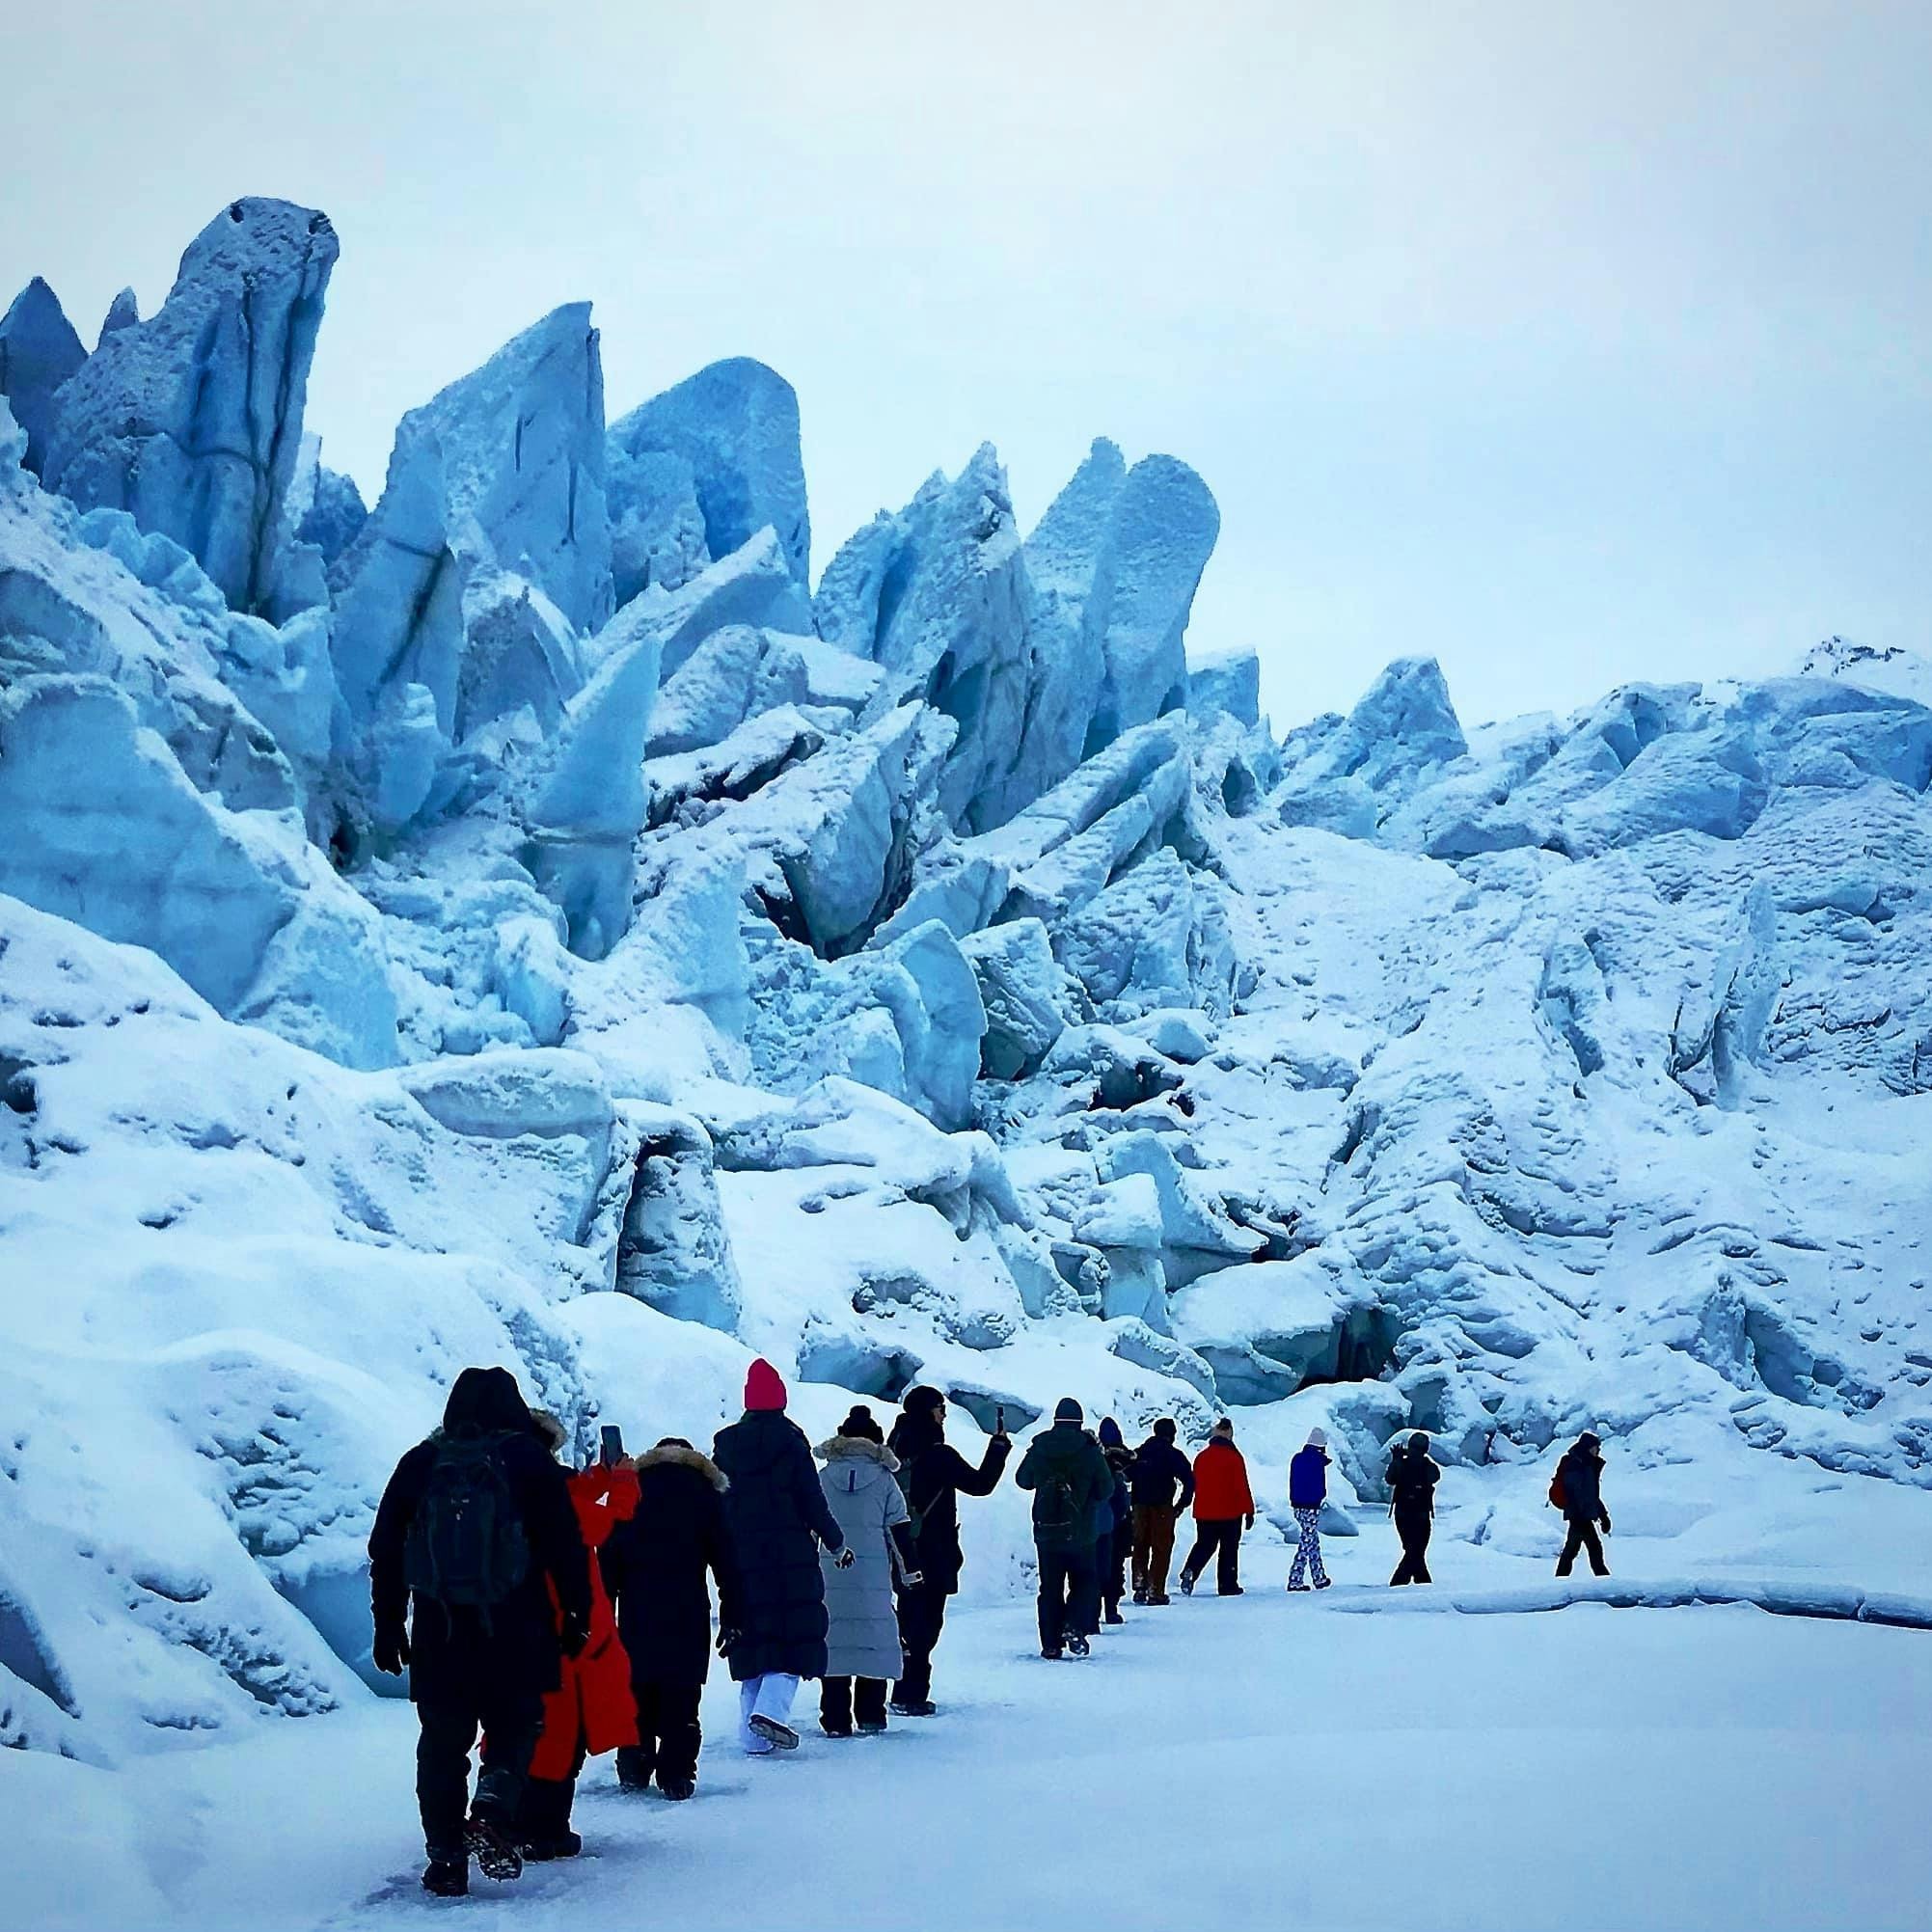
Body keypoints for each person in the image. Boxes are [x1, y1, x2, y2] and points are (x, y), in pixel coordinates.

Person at [368, 1367, 591, 1897]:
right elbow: (566, 1545)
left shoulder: (421, 1463)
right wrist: (576, 1614)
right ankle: (491, 1808)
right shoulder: (529, 1462)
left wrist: (387, 1623)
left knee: (442, 1746)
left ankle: (445, 1858)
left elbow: (386, 1549)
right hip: (517, 1627)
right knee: (516, 1729)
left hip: (439, 1633)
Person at [712, 1359, 852, 1754]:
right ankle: (771, 1714)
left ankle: (751, 1739)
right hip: (789, 1555)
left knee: (753, 1639)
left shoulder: (725, 1445)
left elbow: (718, 1501)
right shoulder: (791, 1442)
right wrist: (837, 1542)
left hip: (741, 1557)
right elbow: (812, 1501)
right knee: (793, 1635)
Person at [517, 1417, 640, 1860]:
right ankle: (543, 1829)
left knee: (520, 1728)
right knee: (559, 1733)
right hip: (563, 1628)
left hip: (514, 1626)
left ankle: (510, 1819)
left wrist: (600, 1477)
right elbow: (604, 1523)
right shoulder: (544, 1492)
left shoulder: (504, 1482)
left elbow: (570, 1497)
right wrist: (624, 1483)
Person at [601, 1434, 741, 1801]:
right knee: (682, 1692)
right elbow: (727, 1561)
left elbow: (610, 1555)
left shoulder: (635, 1489)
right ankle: (677, 1773)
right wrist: (734, 1612)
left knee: (637, 1688)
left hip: (637, 1609)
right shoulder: (705, 1494)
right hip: (687, 1608)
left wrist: (602, 1609)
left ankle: (634, 1760)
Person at [885, 1385, 1011, 1715]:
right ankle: (910, 1693)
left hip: (899, 1549)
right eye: (941, 1408)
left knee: (908, 1615)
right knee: (926, 1624)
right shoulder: (938, 1454)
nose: (944, 1414)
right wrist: (998, 1447)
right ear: (929, 1411)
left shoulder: (893, 1449)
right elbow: (981, 1484)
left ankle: (899, 1684)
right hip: (933, 1550)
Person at [815, 1405, 910, 1736]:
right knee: (873, 1640)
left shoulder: (823, 1478)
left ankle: (835, 1719)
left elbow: (809, 1526)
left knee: (834, 1642)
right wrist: (909, 1571)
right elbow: (898, 1527)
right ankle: (870, 1714)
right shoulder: (885, 1479)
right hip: (872, 1576)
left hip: (830, 1571)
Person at [1015, 1398, 1114, 1658]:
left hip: (1046, 1531)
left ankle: (1050, 1643)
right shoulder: (1090, 1450)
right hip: (1081, 1532)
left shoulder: (1039, 1446)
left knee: (1049, 1587)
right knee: (1085, 1581)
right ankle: (1073, 1624)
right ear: (1080, 1422)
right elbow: (1107, 1489)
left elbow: (1023, 1480)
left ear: (1055, 1419)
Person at [1179, 1417, 1255, 1597]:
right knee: (1228, 1549)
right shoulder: (1234, 1457)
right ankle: (1227, 1585)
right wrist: (1249, 1511)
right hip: (1230, 1512)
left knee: (1205, 1544)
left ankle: (1190, 1569)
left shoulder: (1202, 1457)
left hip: (1205, 1511)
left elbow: (1195, 1483)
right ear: (1229, 1435)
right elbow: (1241, 1486)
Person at [1129, 1417, 1195, 1605]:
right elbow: (1189, 1480)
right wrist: (1181, 1505)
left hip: (1139, 1506)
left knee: (1140, 1545)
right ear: (1172, 1435)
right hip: (1162, 1507)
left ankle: (1140, 1586)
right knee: (1161, 1549)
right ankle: (1155, 1590)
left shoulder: (1140, 1452)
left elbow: (1126, 1474)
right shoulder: (1173, 1454)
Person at [1553, 1429, 1612, 1578]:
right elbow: (1580, 1494)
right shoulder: (1578, 1465)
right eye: (1596, 1447)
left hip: (1579, 1514)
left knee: (1572, 1549)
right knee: (1594, 1548)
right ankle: (1604, 1581)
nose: (1598, 1450)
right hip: (1579, 1515)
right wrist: (1591, 1515)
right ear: (1588, 1447)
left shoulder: (1586, 1465)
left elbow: (1591, 1495)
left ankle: (1560, 1579)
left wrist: (1603, 1515)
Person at [1096, 1418, 1136, 1624]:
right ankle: (1111, 1608)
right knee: (1115, 1565)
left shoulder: (1095, 1458)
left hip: (1097, 1522)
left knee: (1094, 1567)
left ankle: (1092, 1612)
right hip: (1119, 1522)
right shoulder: (1128, 1458)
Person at [1386, 1430, 1440, 1585]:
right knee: (1415, 1551)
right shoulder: (1427, 1466)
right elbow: (1435, 1476)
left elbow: (1390, 1479)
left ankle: (1411, 1583)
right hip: (1420, 1515)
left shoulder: (1402, 1464)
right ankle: (1410, 1583)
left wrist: (1398, 1459)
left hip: (1403, 1515)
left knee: (1413, 1551)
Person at [1286, 1427, 1333, 1592]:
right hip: (1311, 1506)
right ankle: (1295, 1580)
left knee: (1312, 1541)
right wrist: (1320, 1497)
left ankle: (1319, 1577)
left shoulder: (1297, 1458)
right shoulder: (1317, 1461)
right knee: (1306, 1543)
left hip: (1297, 1506)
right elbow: (1319, 1486)